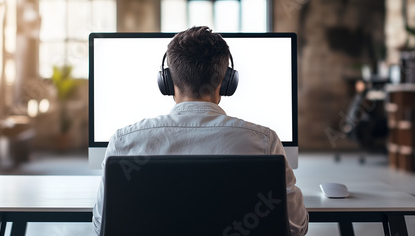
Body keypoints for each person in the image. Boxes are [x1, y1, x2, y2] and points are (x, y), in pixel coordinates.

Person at [92, 26, 309, 236]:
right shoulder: (264, 142)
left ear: (166, 82)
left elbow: (103, 224)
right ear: (226, 82)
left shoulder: (123, 142)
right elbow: (295, 227)